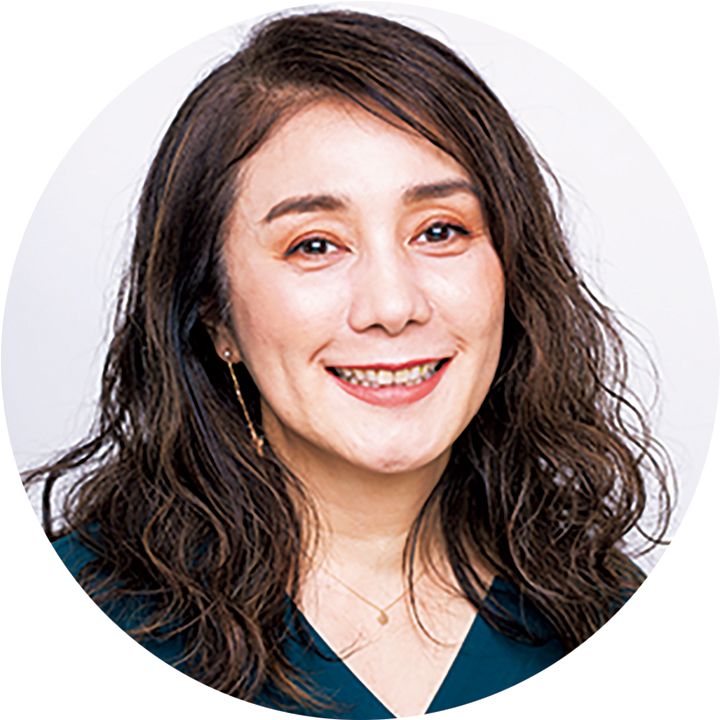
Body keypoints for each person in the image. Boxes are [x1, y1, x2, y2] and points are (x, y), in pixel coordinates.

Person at [24, 9, 673, 719]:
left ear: (511, 274)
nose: (392, 306)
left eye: (440, 231)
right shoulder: (57, 625)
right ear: (216, 316)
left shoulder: (615, 620)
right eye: (315, 245)